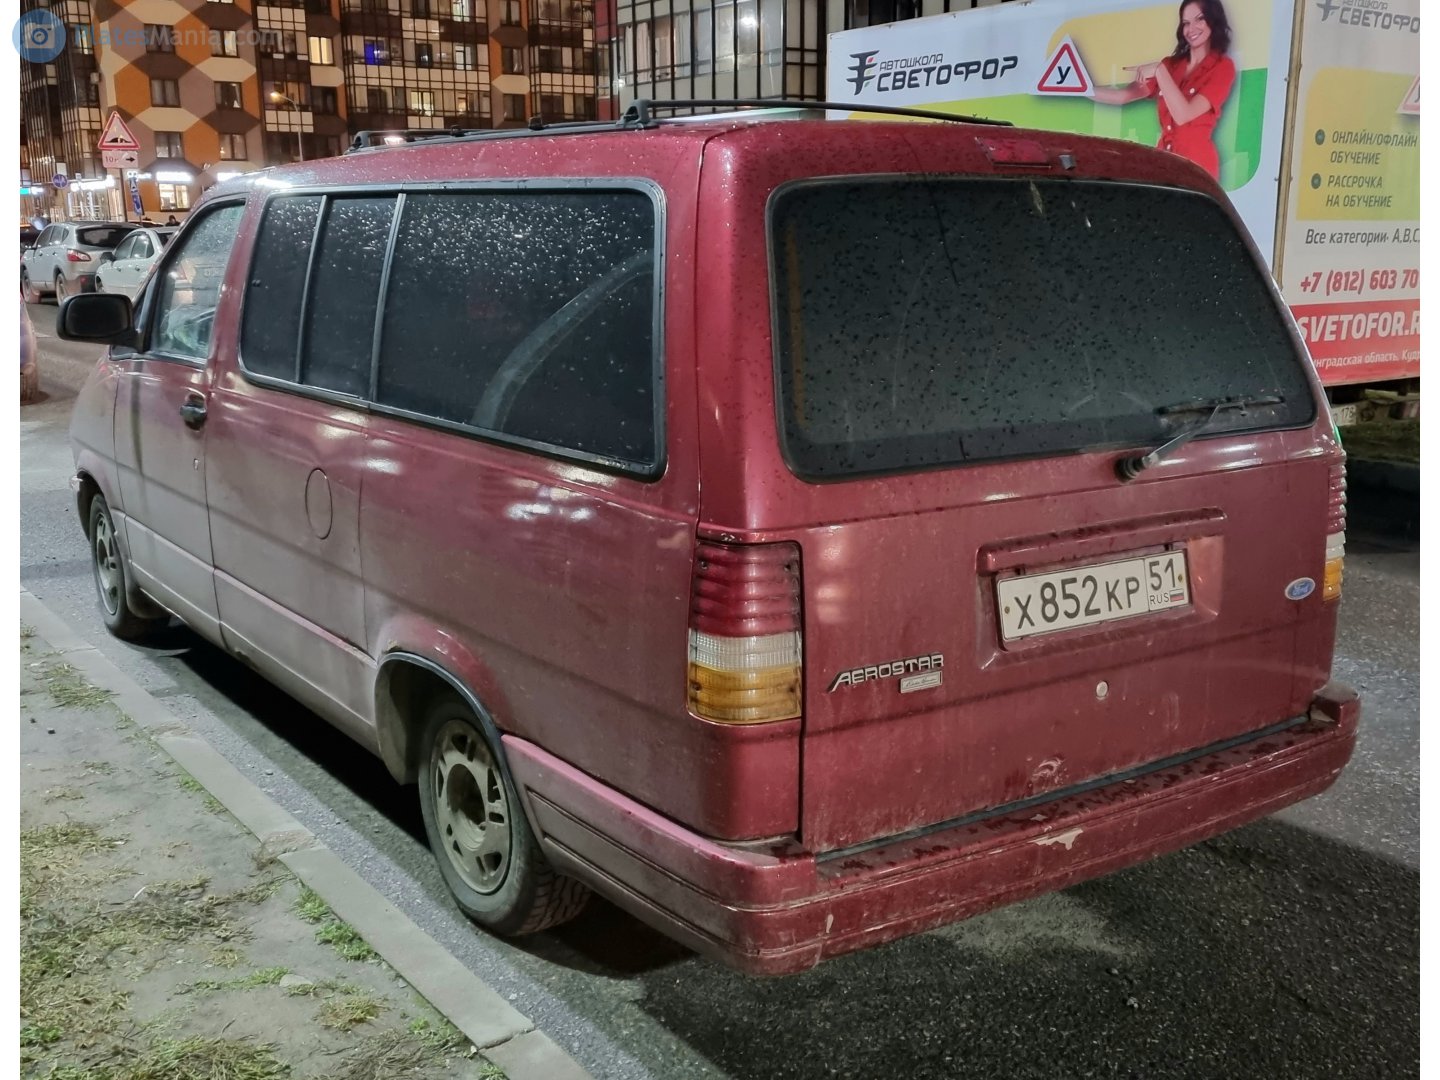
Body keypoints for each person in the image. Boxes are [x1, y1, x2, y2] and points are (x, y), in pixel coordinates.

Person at [1092, 0, 1236, 182]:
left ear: (1213, 20)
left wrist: (1159, 71)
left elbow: (1184, 114)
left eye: (1199, 19)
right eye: (1186, 23)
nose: (1191, 29)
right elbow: (1123, 96)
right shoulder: (1171, 65)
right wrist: (1082, 89)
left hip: (1198, 167)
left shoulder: (1222, 67)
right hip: (1164, 161)